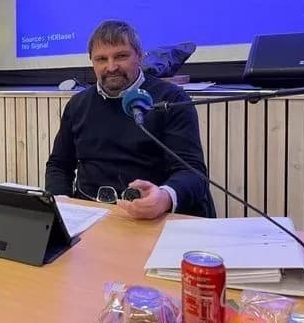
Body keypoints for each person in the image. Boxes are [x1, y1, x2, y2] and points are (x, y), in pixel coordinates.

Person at [45, 20, 216, 219]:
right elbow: (59, 165)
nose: (111, 67)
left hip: (154, 216)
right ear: (92, 62)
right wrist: (60, 203)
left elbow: (192, 173)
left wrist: (164, 197)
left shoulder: (172, 99)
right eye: (101, 59)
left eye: (121, 56)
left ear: (140, 56)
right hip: (90, 214)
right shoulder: (77, 104)